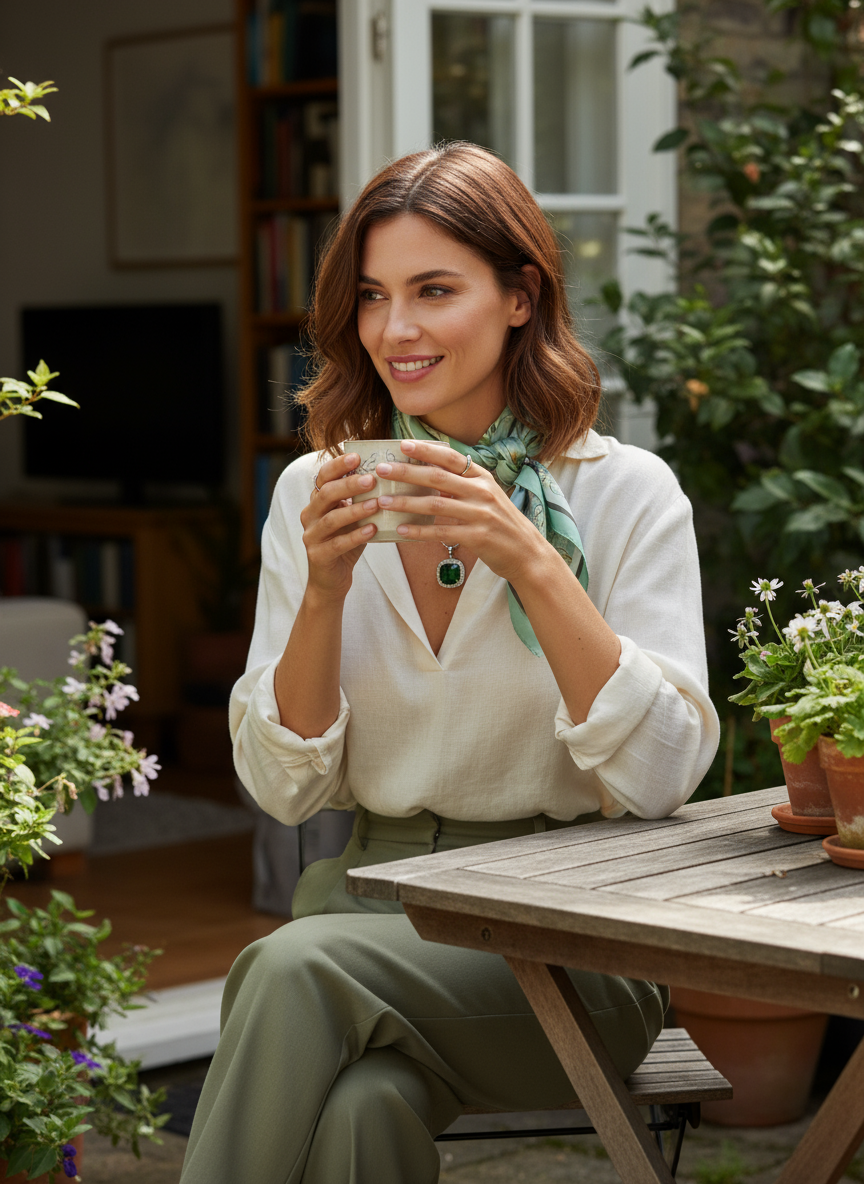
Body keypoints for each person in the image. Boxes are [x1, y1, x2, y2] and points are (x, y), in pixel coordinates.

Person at [180, 142, 719, 1184]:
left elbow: (660, 773)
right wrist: (325, 591)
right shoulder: (316, 495)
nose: (397, 330)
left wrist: (529, 557)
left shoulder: (625, 494)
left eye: (434, 290)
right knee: (361, 1109)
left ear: (520, 297)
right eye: (373, 295)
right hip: (368, 906)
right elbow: (285, 789)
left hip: (573, 940)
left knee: (292, 971)